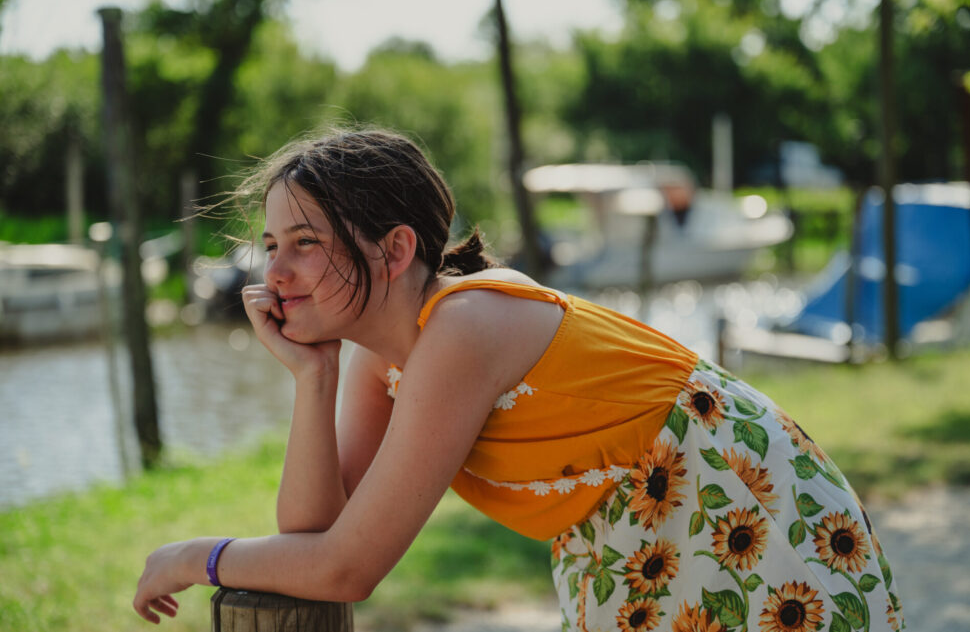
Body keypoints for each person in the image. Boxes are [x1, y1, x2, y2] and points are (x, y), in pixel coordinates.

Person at [133, 128, 904, 632]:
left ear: (394, 251)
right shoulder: (380, 353)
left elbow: (349, 566)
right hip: (629, 534)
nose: (274, 270)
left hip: (730, 500)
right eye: (271, 244)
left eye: (305, 241)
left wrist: (196, 556)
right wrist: (314, 375)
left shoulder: (463, 326)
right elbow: (313, 532)